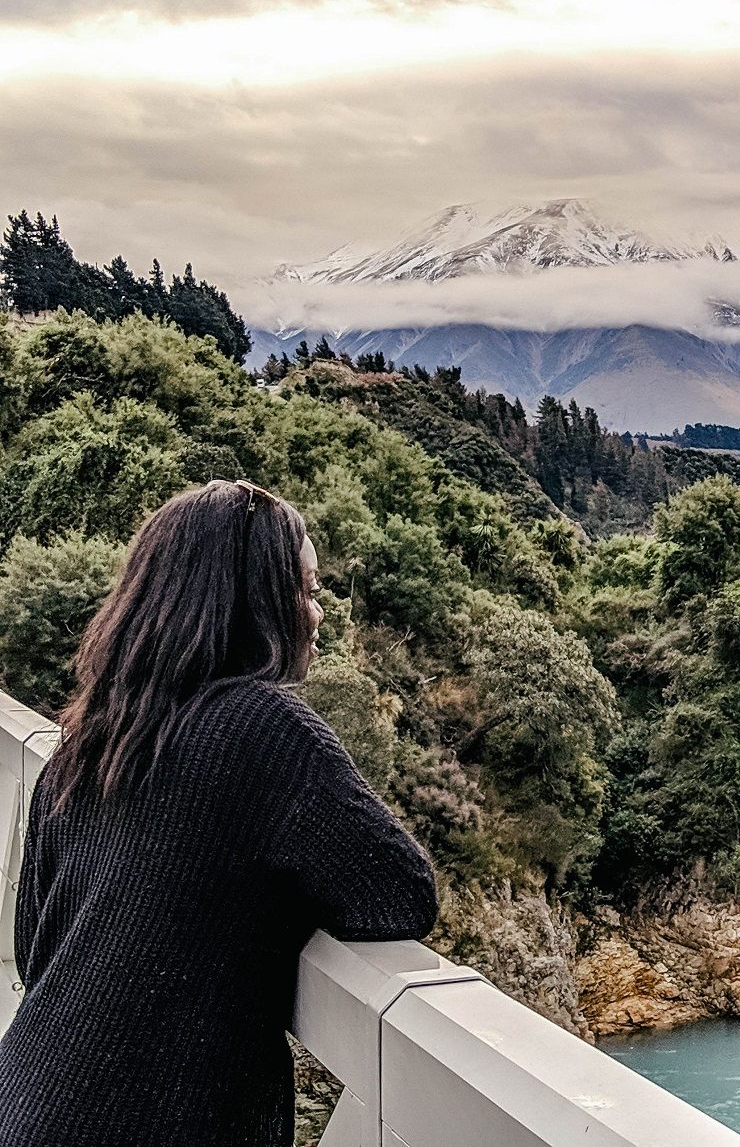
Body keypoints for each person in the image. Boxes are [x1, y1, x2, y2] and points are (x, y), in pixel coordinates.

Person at [0, 479, 438, 1147]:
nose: (318, 615)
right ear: (255, 598)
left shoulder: (86, 743)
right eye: (308, 590)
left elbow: (37, 948)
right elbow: (400, 893)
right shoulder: (261, 728)